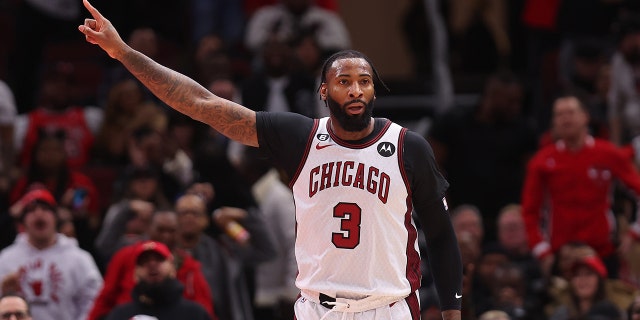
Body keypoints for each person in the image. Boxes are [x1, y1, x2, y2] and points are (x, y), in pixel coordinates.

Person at [78, 2, 463, 319]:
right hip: (317, 309)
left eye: (364, 81)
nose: (356, 89)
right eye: (344, 82)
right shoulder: (300, 137)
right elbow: (203, 104)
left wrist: (451, 312)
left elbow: (442, 235)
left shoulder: (407, 146)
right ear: (324, 91)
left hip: (387, 308)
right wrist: (123, 53)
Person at [521, 94, 640, 278]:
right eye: (559, 114)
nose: (565, 118)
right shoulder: (542, 162)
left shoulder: (608, 154)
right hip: (562, 257)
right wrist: (542, 251)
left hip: (603, 252)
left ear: (585, 116)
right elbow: (530, 211)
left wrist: (633, 234)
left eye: (570, 112)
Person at [0, 189, 103, 320]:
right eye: (31, 210)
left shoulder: (79, 258)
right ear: (22, 222)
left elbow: (94, 301)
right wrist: (5, 294)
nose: (38, 213)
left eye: (45, 208)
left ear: (56, 217)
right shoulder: (6, 258)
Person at [103, 240, 212, 320]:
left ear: (172, 268)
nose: (152, 264)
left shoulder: (194, 314)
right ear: (135, 273)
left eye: (159, 259)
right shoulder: (121, 315)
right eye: (144, 261)